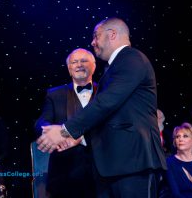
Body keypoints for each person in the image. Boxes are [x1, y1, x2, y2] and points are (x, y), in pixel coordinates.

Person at [37, 17, 167, 198]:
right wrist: (78, 139)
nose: (93, 42)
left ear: (112, 34)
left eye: (96, 36)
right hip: (113, 166)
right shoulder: (114, 68)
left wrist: (65, 131)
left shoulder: (131, 58)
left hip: (132, 162)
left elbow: (107, 102)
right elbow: (108, 116)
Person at [34, 48, 97, 198]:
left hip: (102, 171)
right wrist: (53, 132)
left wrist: (79, 137)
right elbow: (41, 122)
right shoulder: (55, 94)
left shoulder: (106, 92)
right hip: (64, 172)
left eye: (84, 61)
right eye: (74, 62)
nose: (79, 65)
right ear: (69, 69)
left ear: (94, 66)